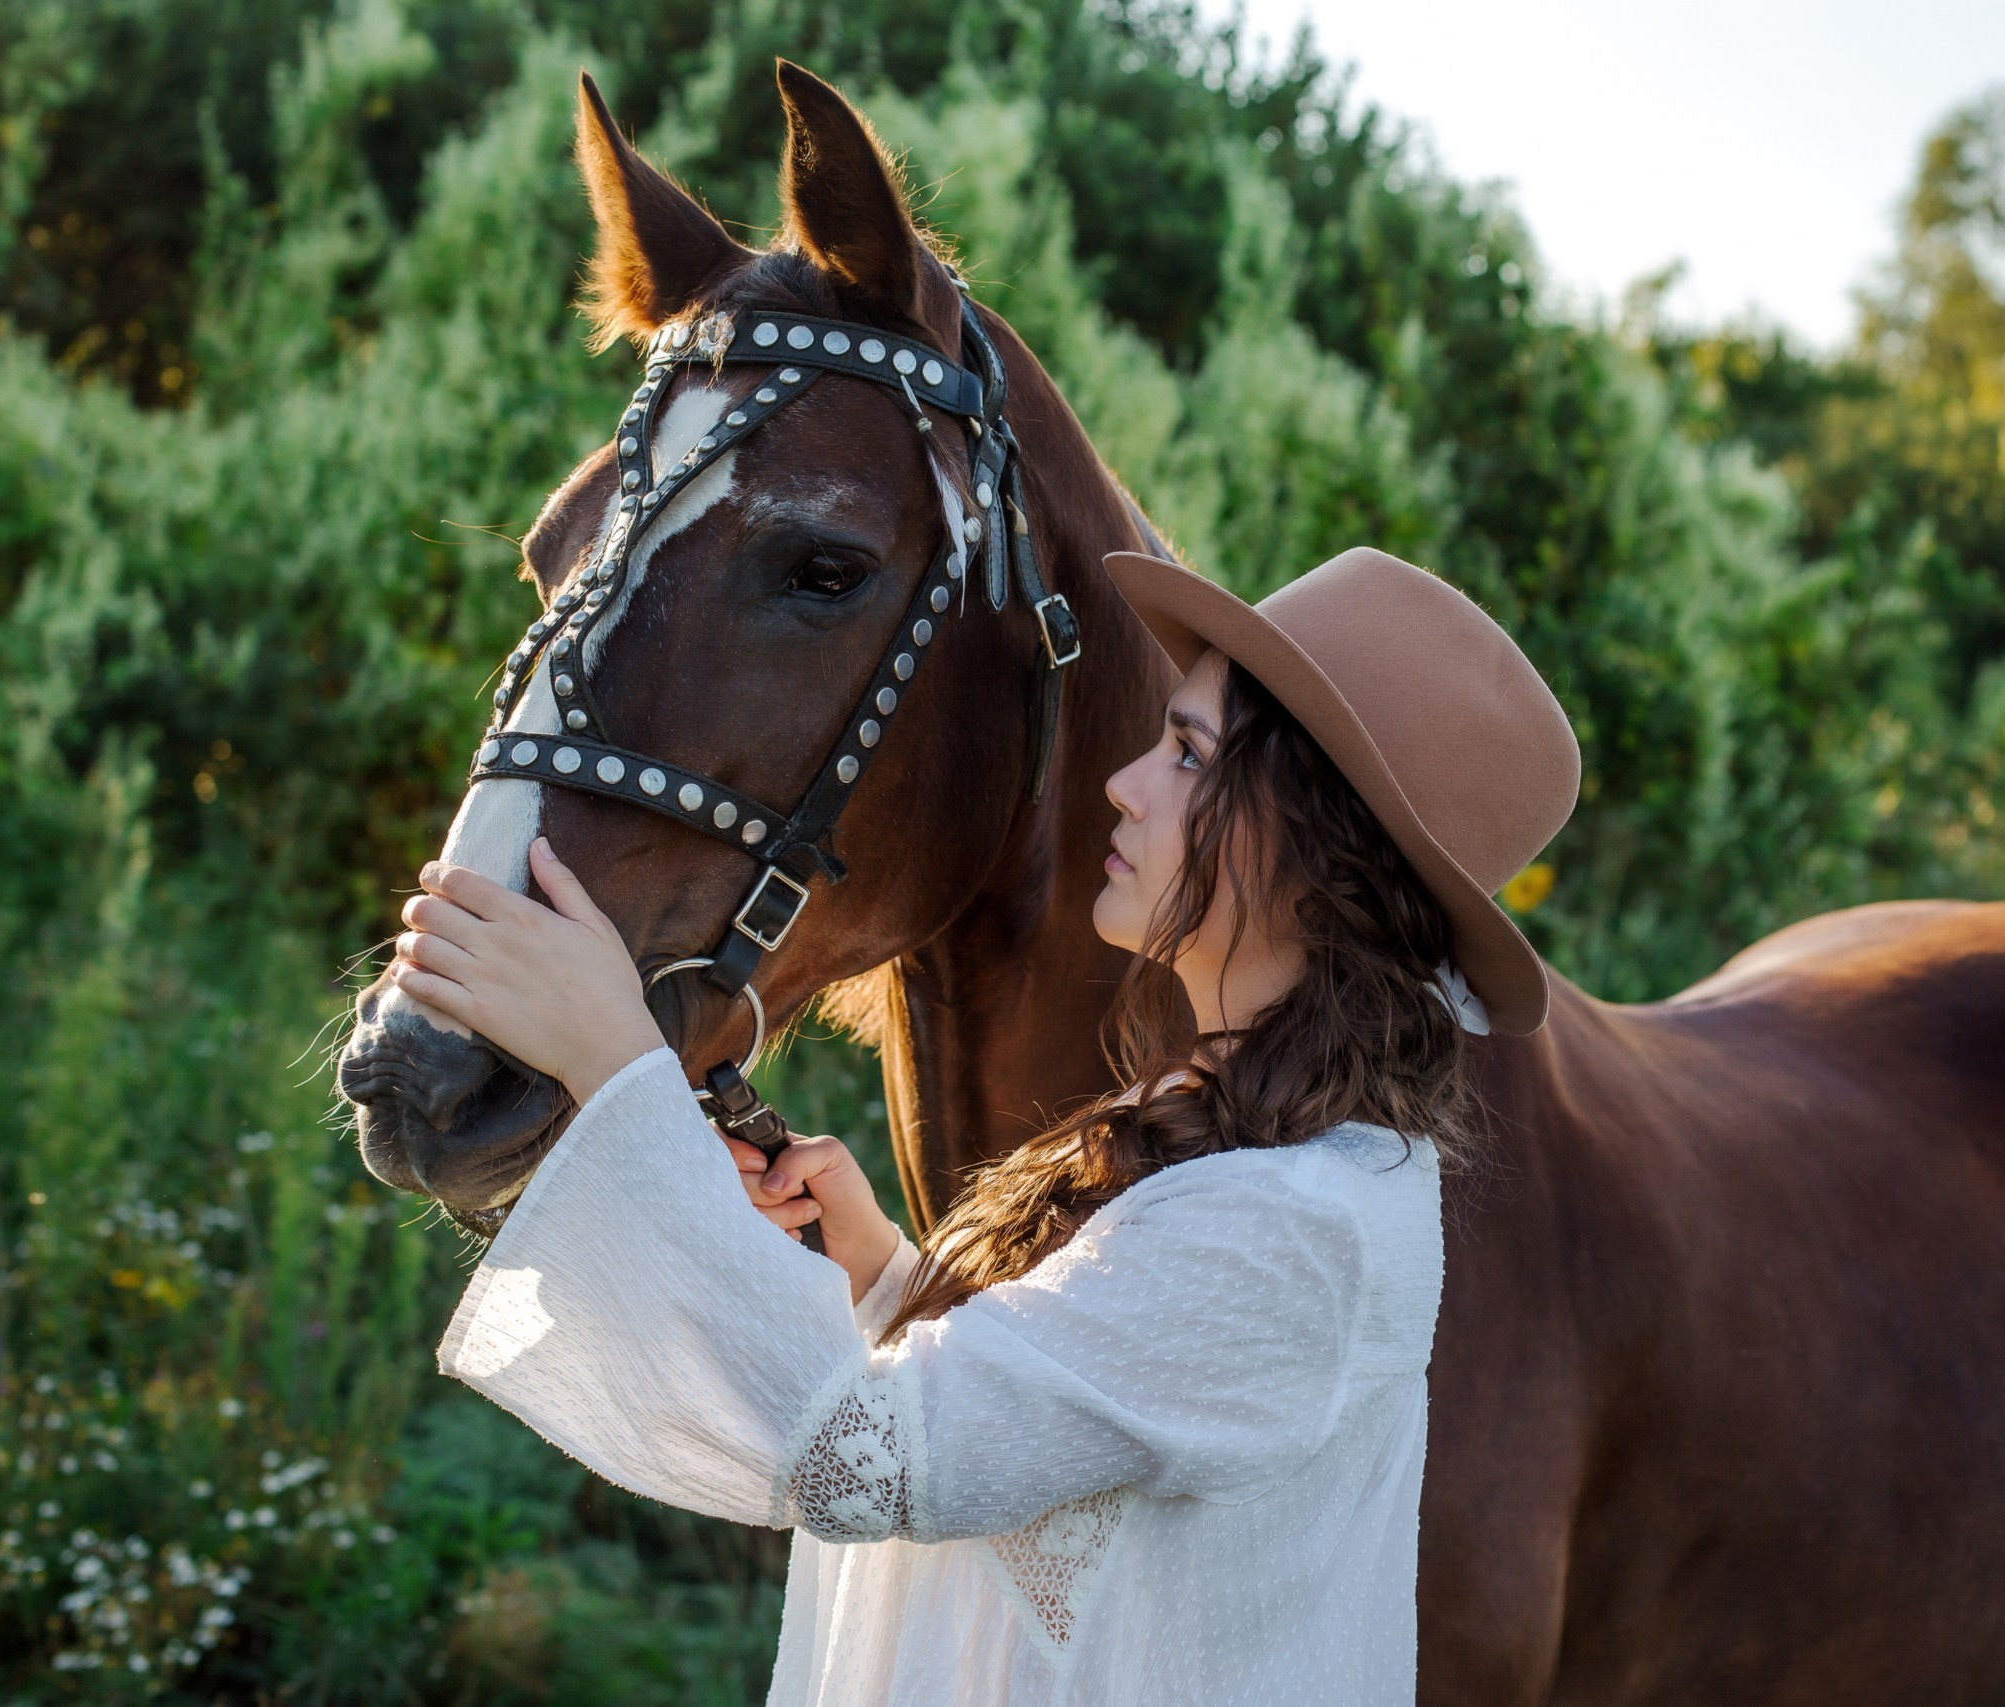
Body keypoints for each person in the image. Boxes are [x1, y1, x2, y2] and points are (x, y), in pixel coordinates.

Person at [389, 546, 1580, 1705]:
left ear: (1317, 855)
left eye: (1187, 753)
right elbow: (1073, 1507)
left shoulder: (1291, 1224)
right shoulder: (1247, 1134)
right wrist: (884, 1278)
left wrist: (615, 1063)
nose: (1125, 781)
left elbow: (873, 1461)